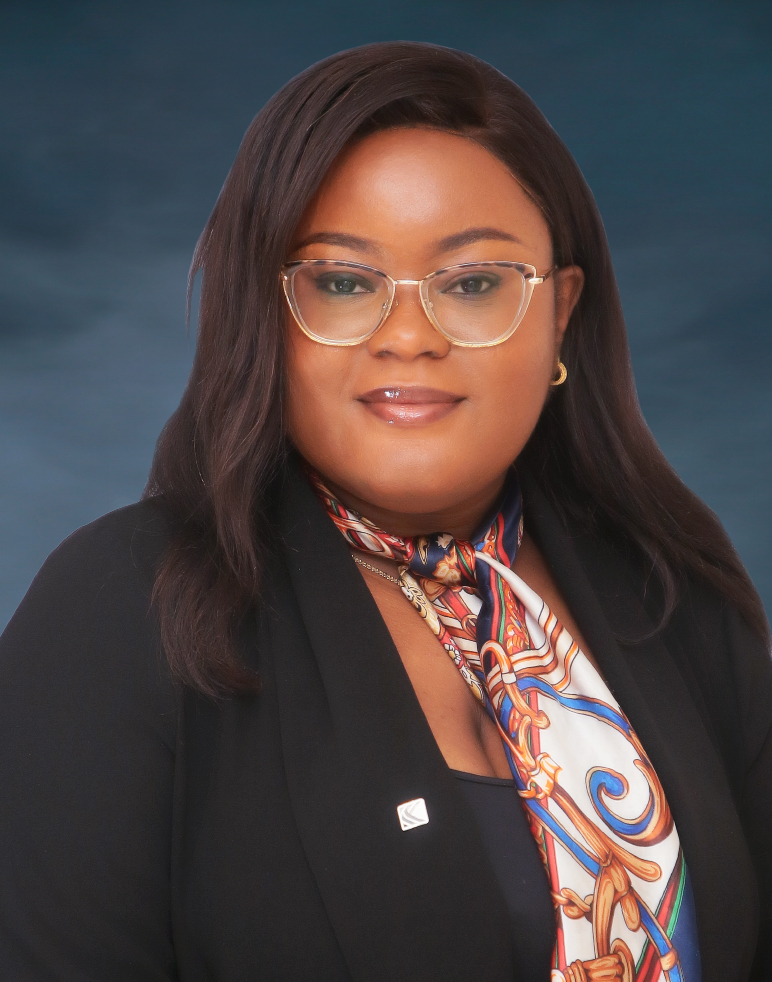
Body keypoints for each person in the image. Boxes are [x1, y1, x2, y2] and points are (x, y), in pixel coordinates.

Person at [0, 41, 769, 982]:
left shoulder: (677, 602)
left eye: (475, 284)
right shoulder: (123, 610)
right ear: (268, 311)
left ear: (560, 313)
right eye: (344, 283)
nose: (409, 336)